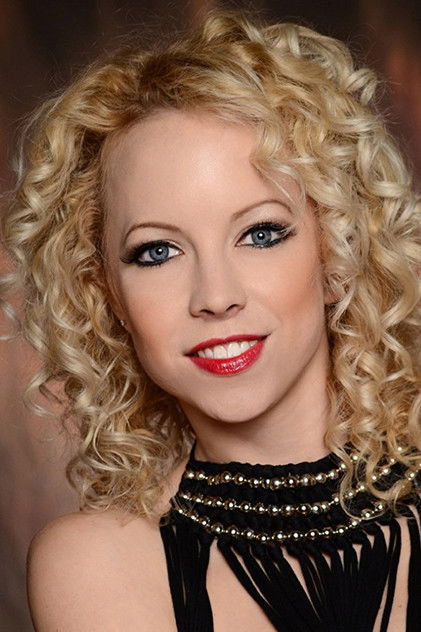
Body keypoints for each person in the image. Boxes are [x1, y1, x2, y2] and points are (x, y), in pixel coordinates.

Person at [1, 10, 420, 632]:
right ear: (106, 293)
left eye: (260, 233)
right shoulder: (98, 566)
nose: (215, 297)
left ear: (337, 251)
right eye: (157, 252)